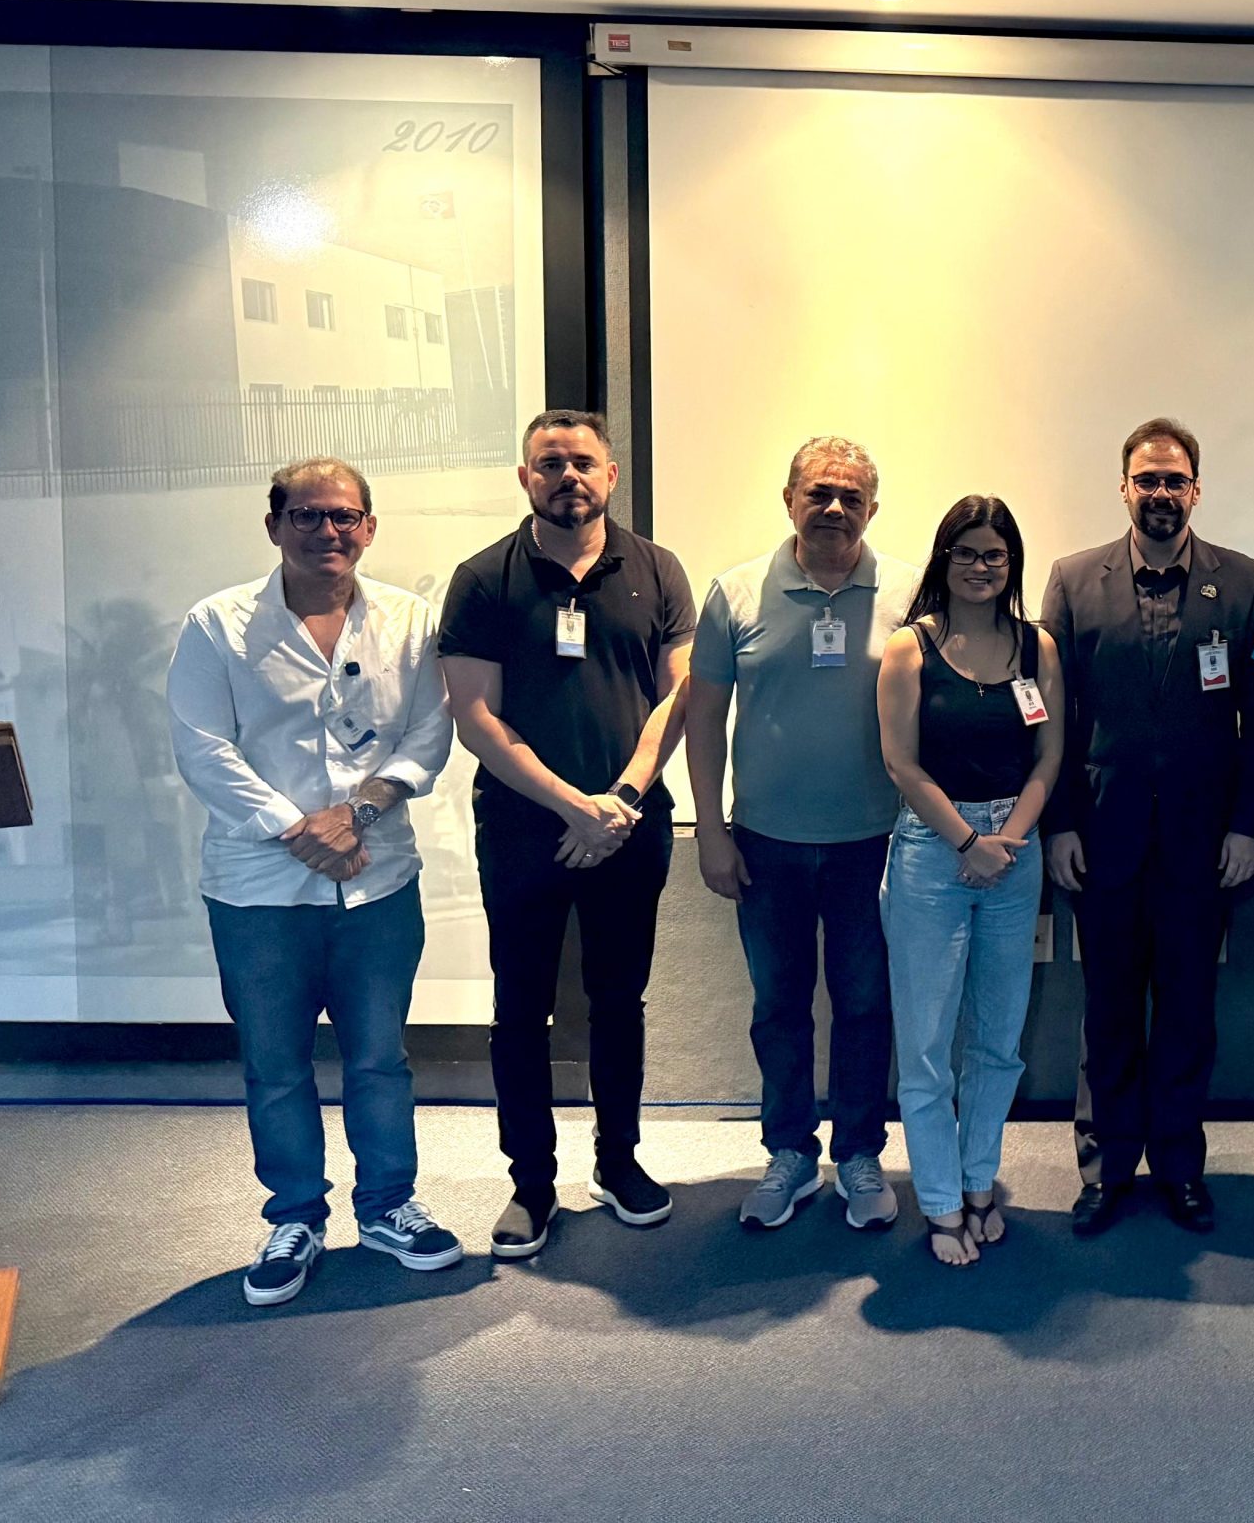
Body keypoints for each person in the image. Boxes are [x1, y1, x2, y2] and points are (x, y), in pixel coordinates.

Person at [167, 459, 459, 1306]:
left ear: (369, 527)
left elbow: (430, 733)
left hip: (378, 882)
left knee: (379, 1059)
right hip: (257, 890)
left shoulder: (409, 620)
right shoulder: (218, 625)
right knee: (276, 1066)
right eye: (306, 515)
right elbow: (202, 749)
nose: (327, 531)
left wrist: (356, 815)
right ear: (274, 526)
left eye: (344, 516)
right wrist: (300, 829)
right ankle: (294, 1216)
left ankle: (389, 1205)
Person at [439, 410, 694, 1259]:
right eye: (549, 464)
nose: (567, 477)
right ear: (525, 478)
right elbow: (475, 716)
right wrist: (571, 807)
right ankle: (531, 1186)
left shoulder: (657, 569)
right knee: (521, 1010)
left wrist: (618, 798)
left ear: (611, 475)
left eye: (583, 462)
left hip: (629, 826)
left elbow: (679, 695)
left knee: (619, 1003)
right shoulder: (483, 578)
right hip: (523, 831)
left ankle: (619, 1164)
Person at [1043, 417, 1254, 1238]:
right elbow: (1056, 719)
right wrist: (1058, 826)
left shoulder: (1243, 582)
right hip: (1099, 839)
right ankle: (1105, 1169)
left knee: (1186, 1007)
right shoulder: (1073, 581)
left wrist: (1249, 827)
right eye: (1147, 479)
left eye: (1175, 480)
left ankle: (1179, 1166)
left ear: (1197, 491)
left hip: (1202, 845)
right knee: (1107, 1008)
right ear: (1124, 488)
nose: (1161, 493)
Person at [688, 437, 918, 1234]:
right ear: (788, 499)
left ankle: (858, 1154)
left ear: (872, 510)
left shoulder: (909, 593)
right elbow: (704, 720)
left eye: (851, 497)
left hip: (875, 842)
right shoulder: (735, 592)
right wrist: (710, 832)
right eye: (819, 493)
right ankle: (788, 1151)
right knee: (779, 1006)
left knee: (865, 1005)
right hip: (766, 844)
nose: (834, 508)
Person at [877, 496, 1065, 1267]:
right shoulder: (909, 649)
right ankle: (941, 1201)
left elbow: (1049, 757)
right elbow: (900, 763)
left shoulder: (1037, 647)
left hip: (1015, 851)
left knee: (998, 1038)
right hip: (932, 852)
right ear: (943, 559)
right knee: (926, 1044)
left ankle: (980, 1180)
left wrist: (1007, 840)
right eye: (966, 553)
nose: (981, 567)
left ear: (1011, 563)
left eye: (995, 554)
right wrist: (967, 840)